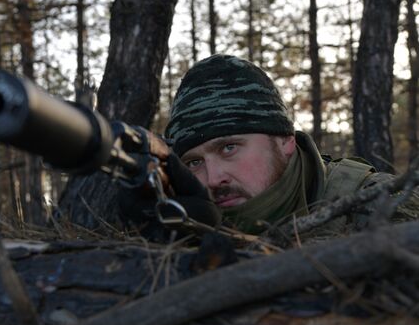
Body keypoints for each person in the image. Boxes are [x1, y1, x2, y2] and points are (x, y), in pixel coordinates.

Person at [123, 54, 418, 241]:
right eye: (194, 162)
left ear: (286, 140)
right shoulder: (184, 219)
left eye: (228, 148)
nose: (213, 179)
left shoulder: (381, 205)